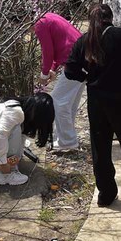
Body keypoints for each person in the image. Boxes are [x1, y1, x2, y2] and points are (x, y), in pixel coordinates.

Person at [65, 4, 121, 209]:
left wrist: (87, 77)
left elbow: (70, 70)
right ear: (110, 18)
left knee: (100, 147)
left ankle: (106, 194)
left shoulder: (84, 41)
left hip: (97, 100)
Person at [34, 13, 84, 153]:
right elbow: (58, 44)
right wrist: (52, 68)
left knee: (57, 101)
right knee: (69, 103)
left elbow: (47, 51)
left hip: (75, 60)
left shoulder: (40, 24)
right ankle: (67, 138)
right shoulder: (47, 16)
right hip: (83, 56)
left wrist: (44, 74)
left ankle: (67, 142)